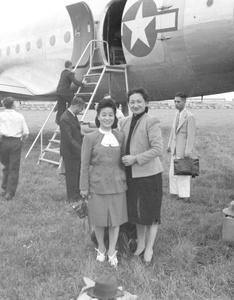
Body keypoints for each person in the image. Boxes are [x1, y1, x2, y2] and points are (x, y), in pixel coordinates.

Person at [80, 98, 128, 267]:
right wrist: (83, 187)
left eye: (111, 115)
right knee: (99, 219)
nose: (108, 118)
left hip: (117, 185)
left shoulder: (120, 137)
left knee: (115, 219)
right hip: (97, 186)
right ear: (98, 116)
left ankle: (112, 250)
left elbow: (123, 162)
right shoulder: (90, 138)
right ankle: (101, 247)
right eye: (104, 115)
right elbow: (84, 164)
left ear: (115, 117)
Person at [119, 88, 163, 264]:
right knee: (137, 212)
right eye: (132, 102)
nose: (135, 105)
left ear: (146, 103)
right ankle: (141, 244)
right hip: (130, 175)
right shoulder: (124, 121)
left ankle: (149, 248)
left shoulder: (151, 121)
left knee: (150, 212)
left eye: (139, 101)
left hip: (149, 175)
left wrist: (135, 159)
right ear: (128, 104)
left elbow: (158, 149)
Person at [167, 92, 196, 201]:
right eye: (175, 101)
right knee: (172, 173)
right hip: (174, 149)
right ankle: (174, 193)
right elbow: (172, 132)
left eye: (178, 101)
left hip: (183, 150)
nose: (176, 104)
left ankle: (184, 196)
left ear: (184, 102)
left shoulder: (190, 116)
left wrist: (187, 152)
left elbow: (190, 136)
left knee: (183, 174)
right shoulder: (176, 114)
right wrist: (169, 144)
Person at [0, 97, 29, 200]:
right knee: (14, 167)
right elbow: (25, 132)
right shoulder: (19, 116)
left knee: (6, 165)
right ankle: (10, 192)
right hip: (15, 142)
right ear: (13, 105)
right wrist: (22, 141)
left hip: (3, 141)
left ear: (3, 105)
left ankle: (4, 188)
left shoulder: (1, 115)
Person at [60, 96, 86, 202]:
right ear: (75, 106)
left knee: (77, 174)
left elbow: (78, 131)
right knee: (71, 175)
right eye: (81, 108)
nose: (81, 111)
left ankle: (77, 194)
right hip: (70, 152)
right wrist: (81, 150)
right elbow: (69, 139)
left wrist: (87, 137)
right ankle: (72, 197)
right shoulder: (65, 118)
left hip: (76, 151)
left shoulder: (73, 116)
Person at [55, 60, 84, 125]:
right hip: (64, 91)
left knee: (61, 107)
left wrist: (72, 74)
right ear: (70, 66)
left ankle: (58, 120)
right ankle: (69, 115)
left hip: (58, 91)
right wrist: (82, 84)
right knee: (72, 100)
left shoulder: (63, 72)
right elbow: (75, 82)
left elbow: (67, 76)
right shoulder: (69, 73)